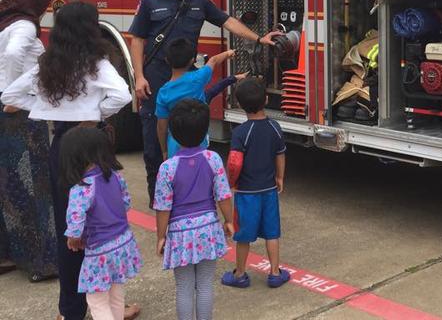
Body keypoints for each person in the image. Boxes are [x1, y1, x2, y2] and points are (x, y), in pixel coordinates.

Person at [1, 1, 138, 320]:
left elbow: (9, 96)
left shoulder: (47, 65)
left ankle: (71, 310)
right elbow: (123, 95)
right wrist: (93, 115)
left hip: (62, 145)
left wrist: (46, 108)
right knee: (103, 224)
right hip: (91, 144)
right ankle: (107, 304)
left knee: (69, 227)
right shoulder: (98, 63)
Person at [130, 0, 281, 207]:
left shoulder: (198, 1)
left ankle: (189, 199)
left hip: (189, 82)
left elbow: (227, 21)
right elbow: (137, 39)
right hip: (155, 80)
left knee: (192, 144)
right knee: (154, 144)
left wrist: (258, 38)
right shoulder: (149, 1)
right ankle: (159, 202)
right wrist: (139, 76)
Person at [0, 0, 58, 283]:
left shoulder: (5, 23)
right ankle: (42, 261)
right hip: (20, 113)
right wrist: (12, 94)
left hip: (8, 110)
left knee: (9, 183)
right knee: (34, 184)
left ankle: (11, 252)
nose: (45, 11)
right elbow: (13, 55)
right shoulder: (24, 26)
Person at [154, 100, 234, 320]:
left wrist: (161, 236)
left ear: (173, 132)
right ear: (205, 130)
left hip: (179, 233)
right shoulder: (213, 159)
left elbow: (163, 207)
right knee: (206, 284)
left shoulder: (167, 168)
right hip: (208, 228)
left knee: (184, 287)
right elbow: (223, 195)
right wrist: (229, 220)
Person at [61, 127, 142, 320]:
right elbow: (126, 204)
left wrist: (73, 238)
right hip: (122, 242)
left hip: (99, 250)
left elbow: (75, 219)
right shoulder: (115, 176)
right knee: (116, 294)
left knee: (97, 301)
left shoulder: (81, 188)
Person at [221, 78, 289, 289]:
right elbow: (280, 154)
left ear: (240, 105)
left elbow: (234, 162)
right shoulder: (274, 127)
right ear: (266, 99)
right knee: (272, 232)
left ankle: (240, 274)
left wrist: (232, 182)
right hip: (269, 191)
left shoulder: (240, 132)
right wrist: (280, 177)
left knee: (243, 235)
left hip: (246, 193)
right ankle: (275, 273)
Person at [156, 38, 240, 159]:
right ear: (192, 60)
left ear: (167, 60)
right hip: (198, 140)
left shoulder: (163, 92)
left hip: (174, 144)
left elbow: (161, 126)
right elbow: (213, 60)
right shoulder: (198, 78)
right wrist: (228, 53)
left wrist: (164, 150)